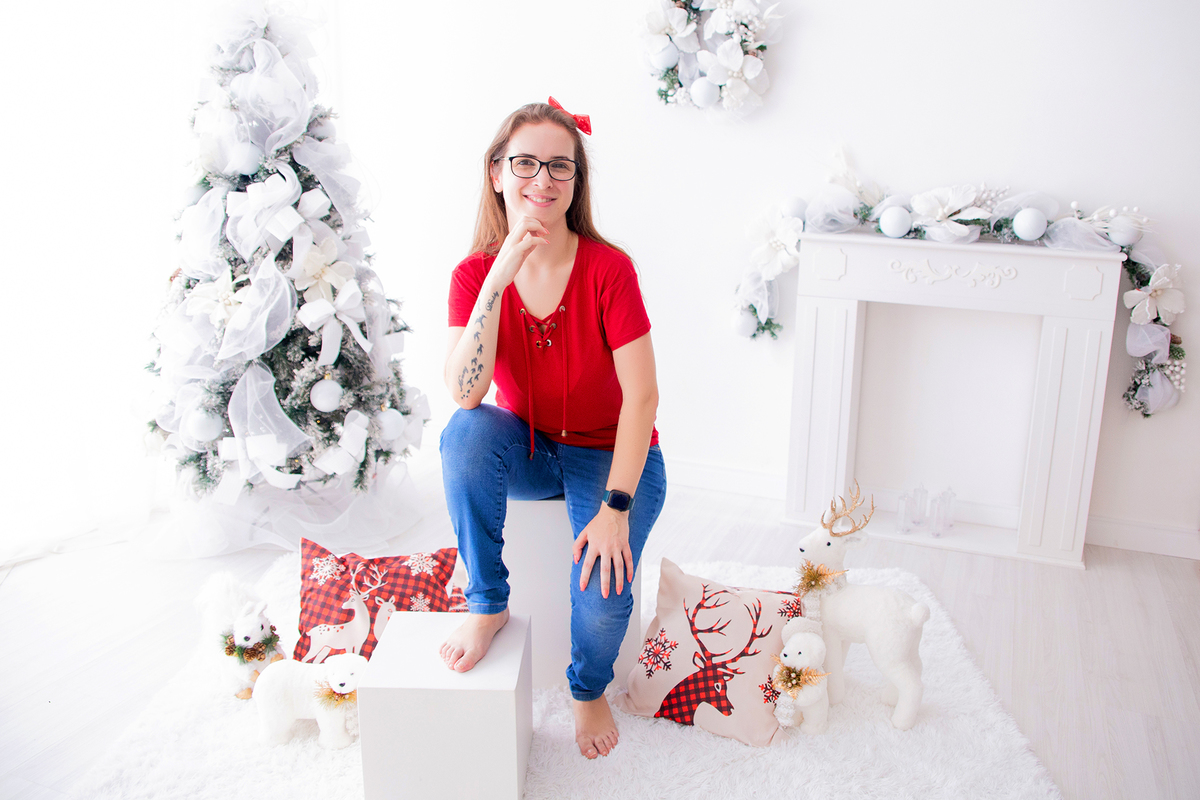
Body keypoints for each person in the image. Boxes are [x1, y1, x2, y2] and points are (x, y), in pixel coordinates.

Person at [438, 99, 666, 760]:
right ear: (497, 173)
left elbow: (643, 397)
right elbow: (465, 392)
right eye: (526, 163)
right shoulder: (474, 274)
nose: (543, 180)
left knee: (599, 597)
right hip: (533, 448)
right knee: (464, 433)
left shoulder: (608, 270)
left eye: (560, 166)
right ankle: (487, 604)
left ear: (576, 180)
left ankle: (587, 690)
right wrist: (496, 283)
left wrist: (615, 508)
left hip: (613, 455)